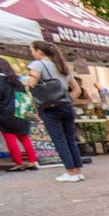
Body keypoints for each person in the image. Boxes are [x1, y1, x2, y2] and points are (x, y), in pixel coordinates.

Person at [26, 41, 84, 182]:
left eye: (33, 51)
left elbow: (31, 84)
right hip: (66, 106)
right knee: (71, 139)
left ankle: (70, 172)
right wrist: (66, 100)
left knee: (59, 140)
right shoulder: (62, 67)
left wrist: (24, 81)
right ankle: (77, 170)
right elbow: (77, 90)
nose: (32, 54)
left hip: (50, 107)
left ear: (39, 51)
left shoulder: (37, 64)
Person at [0, 57, 40, 172]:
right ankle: (32, 162)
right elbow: (24, 97)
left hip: (4, 112)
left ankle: (18, 163)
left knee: (10, 138)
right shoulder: (16, 80)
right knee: (24, 137)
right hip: (20, 111)